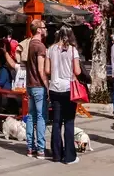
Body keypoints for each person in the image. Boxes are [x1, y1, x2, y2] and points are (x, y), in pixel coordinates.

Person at [45, 26, 81, 164]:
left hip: (54, 88)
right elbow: (77, 71)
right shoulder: (73, 50)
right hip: (68, 88)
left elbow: (47, 70)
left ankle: (56, 154)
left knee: (56, 122)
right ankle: (69, 156)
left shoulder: (51, 49)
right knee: (69, 122)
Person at [24, 20, 49, 159]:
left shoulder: (30, 44)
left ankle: (29, 147)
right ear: (39, 30)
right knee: (40, 116)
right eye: (44, 27)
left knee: (31, 116)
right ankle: (40, 149)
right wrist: (47, 84)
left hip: (29, 84)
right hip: (38, 85)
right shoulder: (40, 46)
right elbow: (41, 69)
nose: (46, 29)